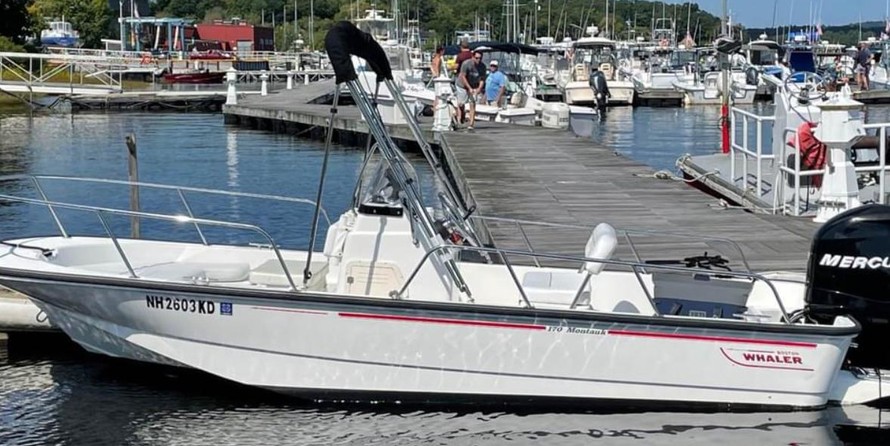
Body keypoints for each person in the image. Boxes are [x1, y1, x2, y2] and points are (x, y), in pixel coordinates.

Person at [457, 50, 485, 130]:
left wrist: (479, 88)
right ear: (473, 57)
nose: (478, 60)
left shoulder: (482, 66)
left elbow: (482, 79)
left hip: (474, 85)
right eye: (476, 58)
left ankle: (471, 124)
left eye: (480, 58)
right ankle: (461, 115)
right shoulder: (466, 64)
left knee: (472, 103)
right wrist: (469, 88)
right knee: (461, 104)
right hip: (462, 85)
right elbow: (463, 77)